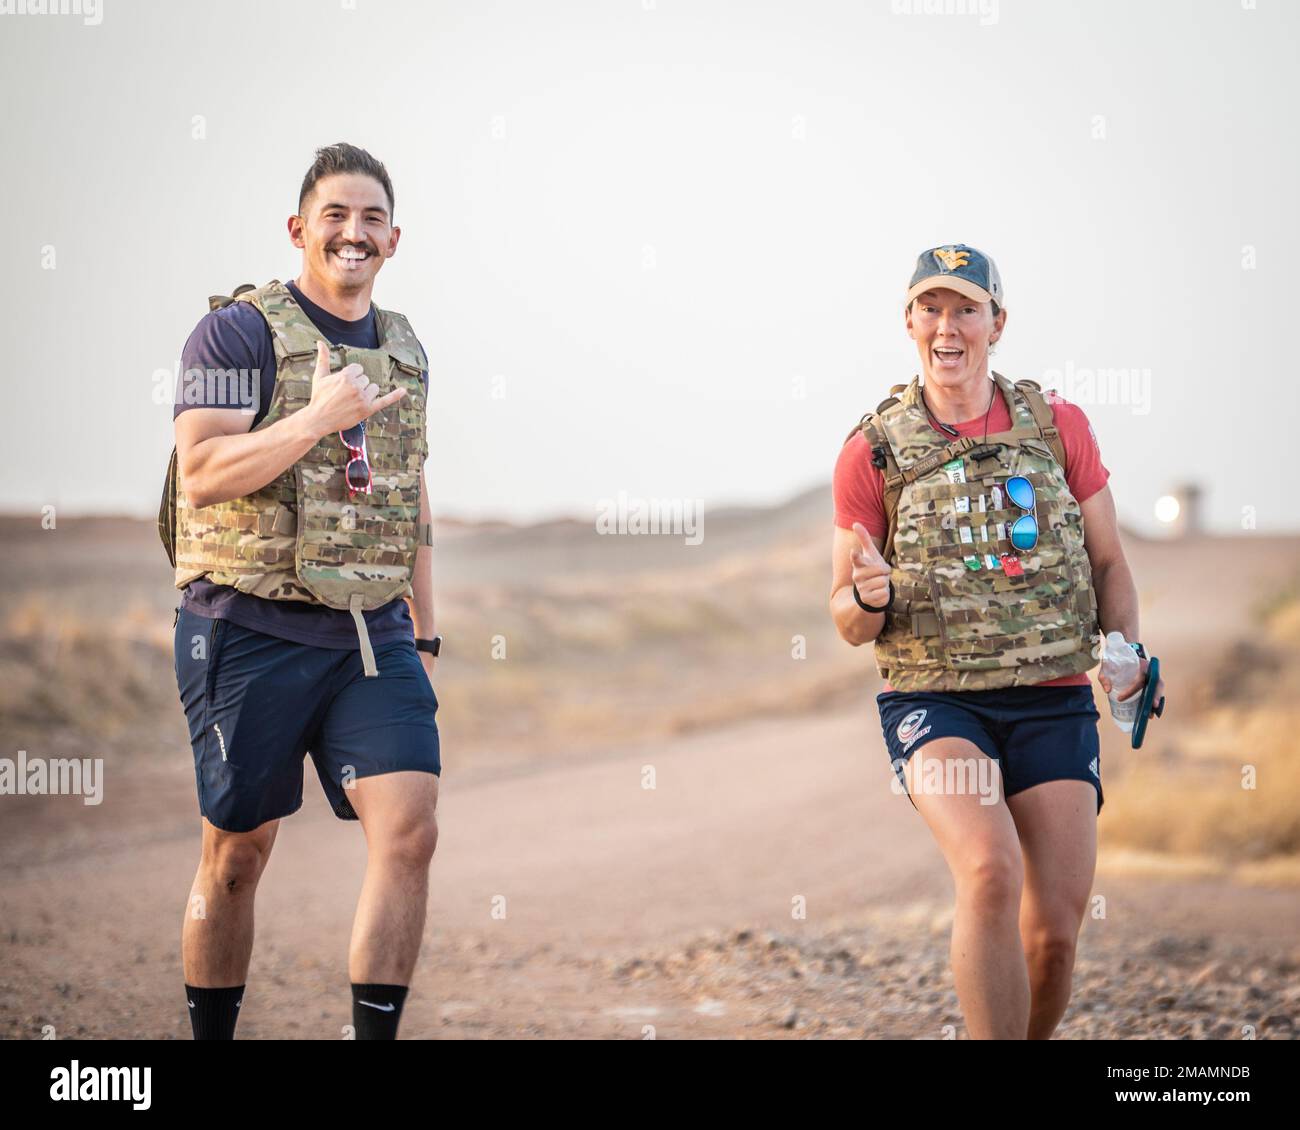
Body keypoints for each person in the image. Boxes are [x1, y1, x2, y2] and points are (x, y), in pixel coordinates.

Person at [830, 244, 1164, 1040]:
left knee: (1052, 936)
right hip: (937, 699)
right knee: (988, 871)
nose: (948, 326)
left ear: (997, 324)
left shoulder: (1056, 427)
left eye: (966, 308)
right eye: (932, 308)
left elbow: (1110, 560)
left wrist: (1125, 654)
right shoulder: (873, 450)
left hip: (1051, 699)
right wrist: (867, 597)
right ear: (909, 323)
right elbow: (845, 615)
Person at [162, 143, 443, 1040]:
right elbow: (201, 471)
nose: (352, 234)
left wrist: (425, 635)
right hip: (246, 627)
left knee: (409, 830)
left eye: (370, 219)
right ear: (299, 229)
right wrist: (318, 417)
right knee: (238, 856)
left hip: (370, 635)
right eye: (335, 216)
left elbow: (412, 493)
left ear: (393, 239)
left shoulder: (406, 350)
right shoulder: (235, 334)